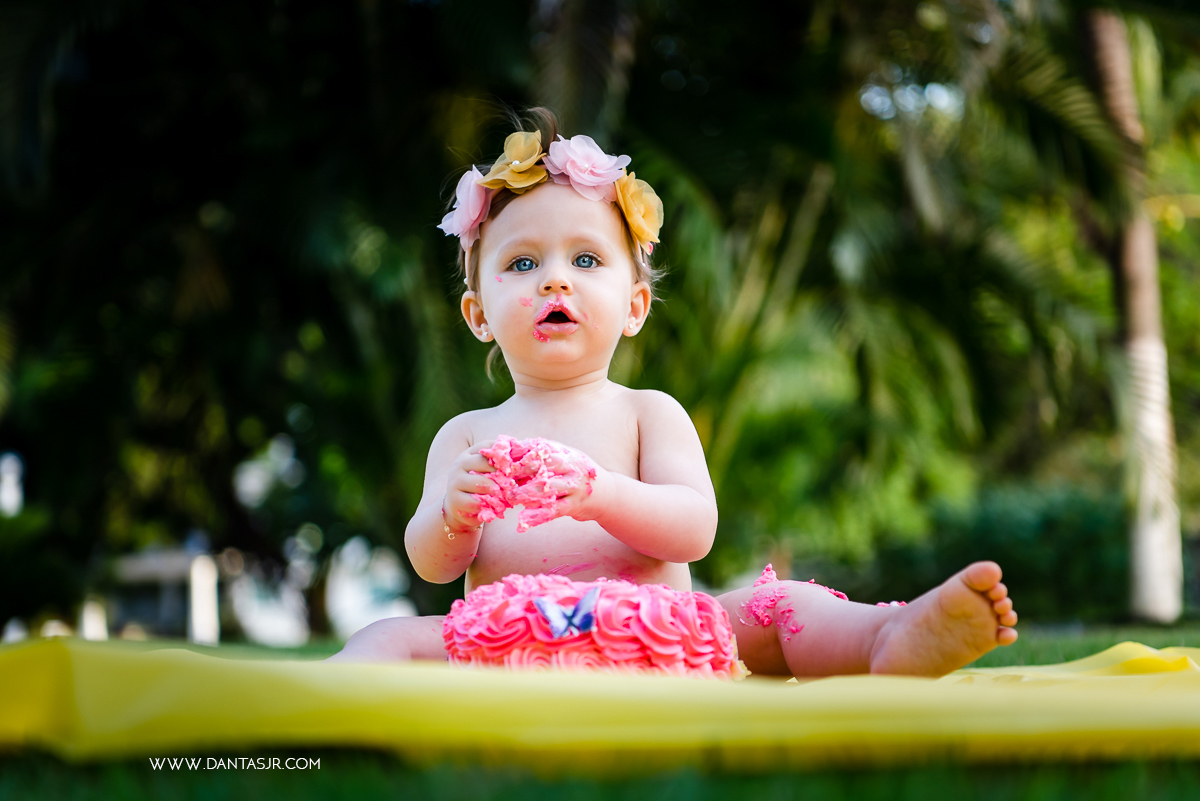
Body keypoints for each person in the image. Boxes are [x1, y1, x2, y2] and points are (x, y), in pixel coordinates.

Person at [328, 110, 1018, 677]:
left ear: (634, 306)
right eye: (523, 262)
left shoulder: (645, 413)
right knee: (391, 633)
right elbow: (432, 559)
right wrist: (455, 511)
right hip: (512, 637)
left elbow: (694, 528)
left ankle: (883, 636)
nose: (554, 280)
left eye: (586, 259)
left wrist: (601, 492)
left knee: (778, 606)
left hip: (664, 632)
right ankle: (329, 694)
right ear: (479, 314)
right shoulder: (467, 435)